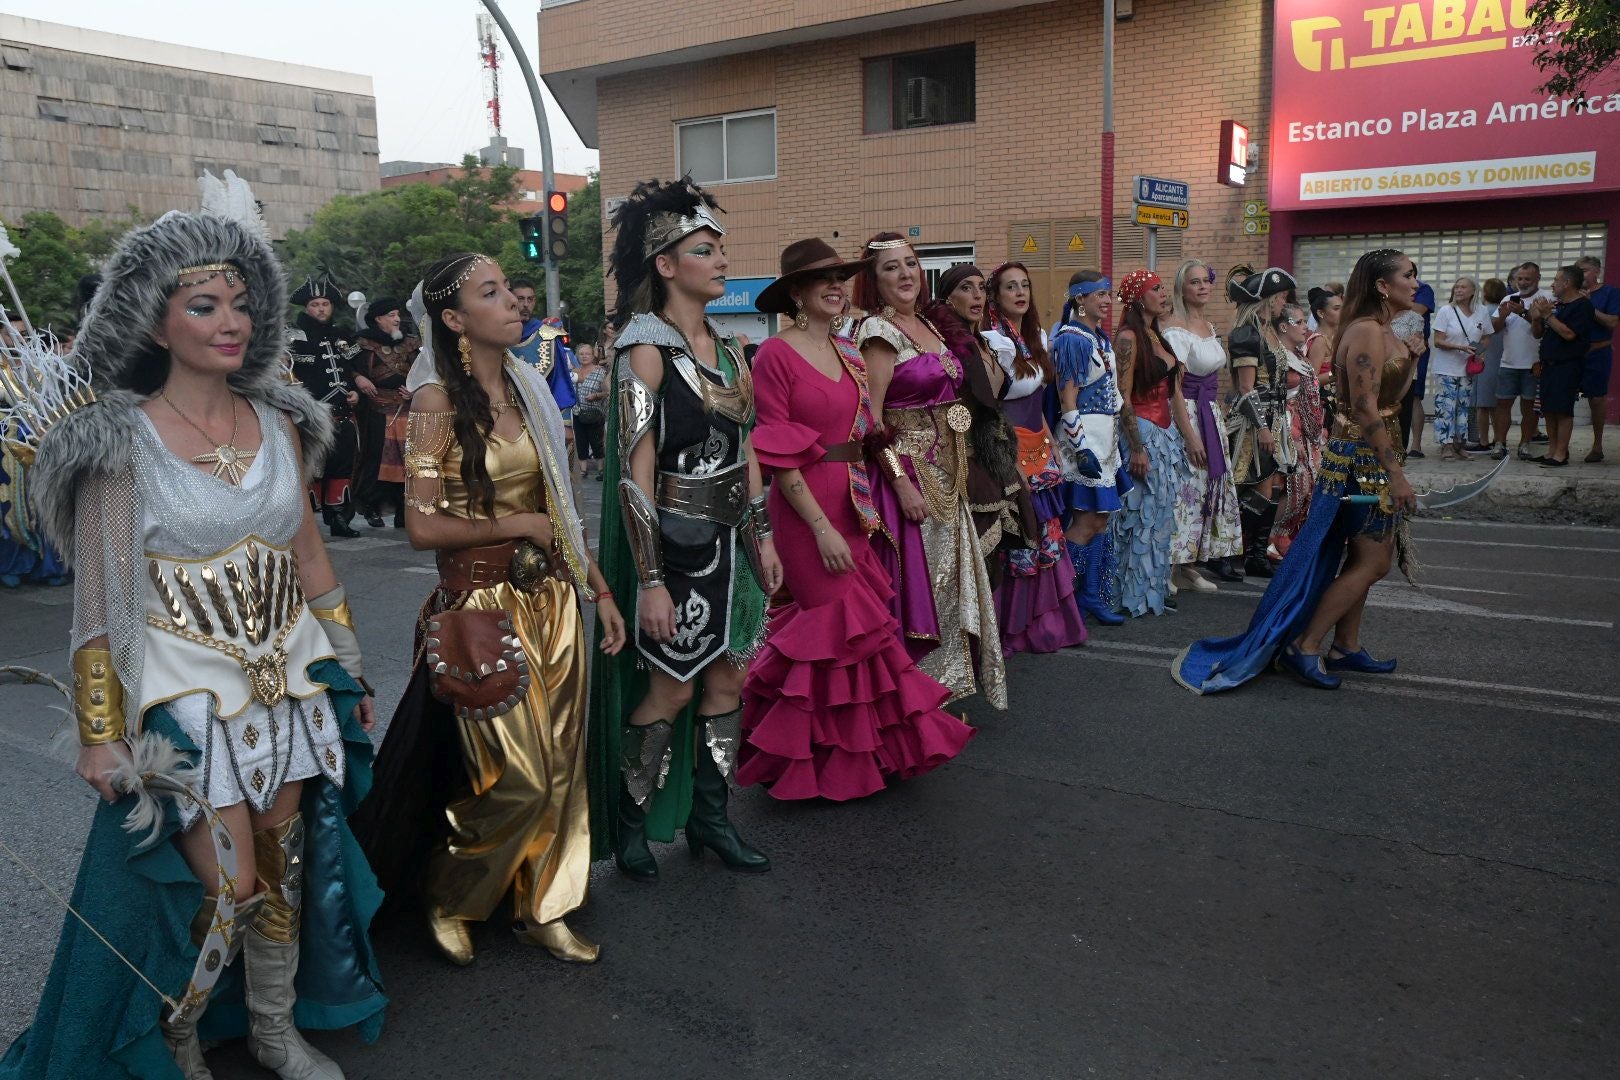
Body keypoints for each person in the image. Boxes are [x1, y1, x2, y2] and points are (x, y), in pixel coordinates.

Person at [3, 180, 384, 1079]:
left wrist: (351, 666)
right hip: (184, 699)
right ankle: (179, 1035)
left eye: (243, 305)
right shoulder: (115, 442)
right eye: (205, 304)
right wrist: (100, 736)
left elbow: (312, 558)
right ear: (153, 320)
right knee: (228, 887)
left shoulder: (282, 421)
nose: (233, 322)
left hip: (290, 682)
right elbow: (96, 603)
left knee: (285, 868)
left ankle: (274, 1028)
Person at [351, 253, 625, 968]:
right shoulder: (436, 404)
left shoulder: (532, 390)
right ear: (452, 319)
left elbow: (557, 507)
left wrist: (596, 586)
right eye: (491, 293)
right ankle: (450, 893)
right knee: (518, 776)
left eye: (509, 288)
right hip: (480, 608)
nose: (512, 301)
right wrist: (517, 528)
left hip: (554, 599)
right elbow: (423, 527)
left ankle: (546, 905)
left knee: (563, 771)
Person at [588, 178, 780, 882]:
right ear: (666, 265)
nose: (722, 260)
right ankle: (633, 822)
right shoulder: (646, 349)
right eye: (706, 249)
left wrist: (763, 538)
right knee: (670, 690)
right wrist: (649, 583)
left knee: (730, 683)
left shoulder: (732, 350)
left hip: (734, 544)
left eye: (722, 249)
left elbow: (749, 452)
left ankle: (711, 819)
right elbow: (634, 479)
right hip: (677, 550)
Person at [735, 238, 972, 799]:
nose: (837, 286)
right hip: (804, 506)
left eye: (842, 277)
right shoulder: (775, 354)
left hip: (852, 500)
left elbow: (869, 432)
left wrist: (894, 482)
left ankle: (858, 756)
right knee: (829, 626)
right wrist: (818, 527)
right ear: (796, 292)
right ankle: (809, 766)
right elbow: (778, 453)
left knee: (858, 635)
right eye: (823, 279)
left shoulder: (847, 353)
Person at [1175, 248, 1421, 694]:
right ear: (1383, 286)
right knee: (1375, 561)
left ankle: (1345, 645)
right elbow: (1366, 409)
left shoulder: (1378, 329)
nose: (1415, 282)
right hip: (1362, 460)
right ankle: (1305, 645)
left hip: (1367, 453)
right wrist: (1396, 474)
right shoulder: (1366, 331)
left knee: (1360, 557)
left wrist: (1414, 358)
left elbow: (1390, 396)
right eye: (1408, 275)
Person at [854, 233, 1008, 708]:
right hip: (911, 476)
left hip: (949, 472)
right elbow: (870, 419)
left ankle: (939, 696)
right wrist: (899, 481)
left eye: (910, 265)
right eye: (891, 268)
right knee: (919, 587)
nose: (904, 275)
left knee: (947, 585)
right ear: (874, 282)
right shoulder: (878, 332)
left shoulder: (929, 324)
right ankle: (912, 702)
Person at [982, 261, 1089, 655]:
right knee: (1018, 535)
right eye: (1011, 287)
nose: (1020, 293)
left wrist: (1051, 438)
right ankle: (1012, 626)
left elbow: (1036, 397)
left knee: (1046, 535)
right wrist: (1005, 458)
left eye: (1024, 285)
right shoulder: (991, 340)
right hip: (1008, 449)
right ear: (995, 295)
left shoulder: (1036, 336)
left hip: (1040, 445)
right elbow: (989, 408)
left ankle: (1043, 622)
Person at [928, 262, 1036, 586]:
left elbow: (994, 407)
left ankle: (990, 633)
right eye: (966, 288)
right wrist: (962, 454)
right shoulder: (943, 347)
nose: (977, 295)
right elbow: (945, 408)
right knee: (967, 565)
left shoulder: (987, 344)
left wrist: (1008, 460)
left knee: (992, 565)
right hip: (961, 462)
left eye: (980, 288)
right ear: (947, 299)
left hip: (992, 455)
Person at [1108, 269, 1204, 617]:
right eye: (1156, 289)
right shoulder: (1129, 338)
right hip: (1142, 433)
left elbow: (1175, 395)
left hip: (1165, 435)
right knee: (1137, 516)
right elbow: (1122, 394)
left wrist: (1192, 439)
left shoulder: (1158, 336)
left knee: (1159, 517)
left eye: (1164, 288)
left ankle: (1150, 590)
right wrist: (1135, 447)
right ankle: (1124, 593)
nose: (1164, 294)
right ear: (1138, 298)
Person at [1050, 270, 1133, 627]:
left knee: (1100, 522)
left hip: (1106, 441)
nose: (1105, 299)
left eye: (1108, 293)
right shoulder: (1073, 340)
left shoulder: (1098, 337)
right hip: (1084, 440)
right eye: (1097, 294)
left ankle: (1091, 597)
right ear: (1079, 299)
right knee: (1084, 522)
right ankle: (1062, 600)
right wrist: (1080, 447)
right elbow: (1067, 399)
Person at [1161, 260, 1243, 589]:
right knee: (1186, 489)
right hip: (1188, 415)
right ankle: (1168, 565)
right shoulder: (1175, 329)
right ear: (1182, 288)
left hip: (1209, 412)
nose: (1202, 287)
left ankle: (1188, 565)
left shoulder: (1208, 326)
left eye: (1205, 281)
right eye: (1194, 282)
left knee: (1207, 488)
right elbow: (1173, 390)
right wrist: (1191, 436)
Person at [1226, 266, 1297, 578]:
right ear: (1265, 301)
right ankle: (1228, 551)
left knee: (1270, 487)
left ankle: (1255, 554)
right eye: (1279, 297)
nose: (1283, 302)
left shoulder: (1270, 332)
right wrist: (1263, 427)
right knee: (1250, 487)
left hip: (1277, 417)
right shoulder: (1246, 334)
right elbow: (1245, 388)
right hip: (1253, 422)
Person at [288, 271, 361, 538]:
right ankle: (306, 525)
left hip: (343, 409)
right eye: (315, 305)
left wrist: (355, 390)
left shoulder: (341, 334)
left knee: (342, 464)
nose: (321, 309)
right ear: (307, 308)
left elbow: (353, 367)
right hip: (311, 412)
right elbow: (286, 371)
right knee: (312, 469)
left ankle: (339, 518)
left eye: (325, 304)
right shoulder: (292, 335)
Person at [352, 296, 419, 526]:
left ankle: (404, 509)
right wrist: (358, 377)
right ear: (378, 319)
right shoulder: (363, 344)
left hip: (407, 408)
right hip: (377, 408)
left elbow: (424, 371)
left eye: (398, 314)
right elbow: (348, 368)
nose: (397, 319)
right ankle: (371, 506)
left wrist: (415, 390)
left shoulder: (411, 344)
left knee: (408, 461)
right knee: (376, 459)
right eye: (391, 315)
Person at [1268, 303, 1325, 561]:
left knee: (1308, 482)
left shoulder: (1300, 355)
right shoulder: (1275, 355)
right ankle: (1271, 537)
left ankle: (1284, 534)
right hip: (1283, 424)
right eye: (1300, 322)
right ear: (1283, 326)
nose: (1306, 327)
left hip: (1303, 422)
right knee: (1288, 482)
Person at [1530, 264, 1597, 468]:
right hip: (1548, 365)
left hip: (1567, 365)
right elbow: (1538, 334)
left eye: (1556, 280)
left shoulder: (1583, 306)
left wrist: (1548, 315)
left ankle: (1561, 453)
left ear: (1567, 283)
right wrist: (1536, 318)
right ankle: (1552, 450)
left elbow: (1569, 334)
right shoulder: (1557, 305)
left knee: (1563, 410)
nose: (1552, 284)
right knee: (1549, 410)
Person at [1491, 262, 1553, 461]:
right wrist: (1502, 316)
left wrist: (1523, 313)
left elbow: (1542, 331)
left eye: (1528, 279)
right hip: (1508, 362)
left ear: (1538, 279)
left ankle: (1525, 444)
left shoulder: (1546, 298)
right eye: (1520, 279)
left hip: (1534, 364)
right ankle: (1499, 444)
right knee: (1502, 405)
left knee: (1529, 408)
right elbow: (1495, 328)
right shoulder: (1508, 298)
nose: (1523, 282)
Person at [1429, 277, 1492, 462]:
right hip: (1446, 368)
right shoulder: (1447, 311)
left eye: (1463, 287)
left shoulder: (1481, 311)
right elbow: (1438, 341)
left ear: (1473, 291)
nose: (1458, 290)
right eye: (1456, 286)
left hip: (1467, 369)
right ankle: (1446, 446)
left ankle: (1460, 444)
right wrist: (1461, 348)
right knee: (1446, 408)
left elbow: (1488, 336)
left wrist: (1480, 352)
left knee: (1463, 408)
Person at [1578, 255, 1619, 462]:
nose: (1581, 274)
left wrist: (1588, 306)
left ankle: (1597, 445)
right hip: (1573, 353)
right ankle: (1559, 446)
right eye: (1578, 270)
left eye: (1585, 270)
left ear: (1597, 272)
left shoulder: (1610, 292)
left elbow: (1612, 322)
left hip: (1598, 352)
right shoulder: (1571, 292)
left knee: (1596, 399)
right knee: (1562, 397)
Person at [1466, 278, 1509, 452]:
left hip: (1484, 362)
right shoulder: (1505, 312)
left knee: (1482, 405)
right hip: (1502, 362)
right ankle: (1498, 439)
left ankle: (1483, 441)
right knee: (1496, 406)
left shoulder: (1483, 313)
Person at [1399, 269, 1435, 458]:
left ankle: (1415, 445)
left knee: (1412, 396)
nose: (1413, 285)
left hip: (1410, 359)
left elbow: (1417, 311)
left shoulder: (1424, 289)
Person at [572, 341, 609, 480]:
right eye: (581, 354)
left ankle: (600, 469)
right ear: (577, 356)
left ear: (593, 356)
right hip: (578, 412)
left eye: (587, 353)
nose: (584, 356)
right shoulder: (574, 372)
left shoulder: (601, 371)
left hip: (595, 413)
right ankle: (583, 470)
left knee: (596, 442)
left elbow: (608, 392)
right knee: (581, 442)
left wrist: (596, 396)